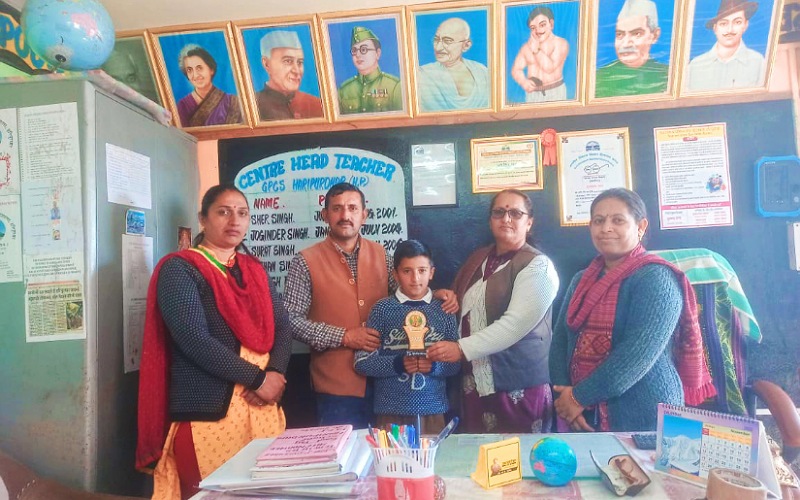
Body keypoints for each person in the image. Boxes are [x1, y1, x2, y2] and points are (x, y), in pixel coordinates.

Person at [136, 184, 292, 499]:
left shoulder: (254, 271)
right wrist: (258, 379)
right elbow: (194, 339)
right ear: (203, 219)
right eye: (223, 212)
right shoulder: (180, 269)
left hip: (262, 410)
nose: (234, 221)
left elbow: (282, 327)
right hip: (207, 417)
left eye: (242, 213)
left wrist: (275, 372)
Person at [549, 188, 716, 433]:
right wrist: (564, 396)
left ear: (641, 226)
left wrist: (577, 398)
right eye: (598, 221)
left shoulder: (657, 278)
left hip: (646, 414)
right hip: (583, 412)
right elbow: (560, 340)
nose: (606, 228)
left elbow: (636, 355)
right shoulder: (580, 280)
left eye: (618, 220)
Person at [427, 189, 559, 433]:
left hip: (517, 389)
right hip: (474, 385)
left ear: (529, 222)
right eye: (499, 212)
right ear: (490, 220)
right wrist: (444, 296)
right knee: (475, 455)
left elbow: (514, 325)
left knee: (518, 455)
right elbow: (461, 303)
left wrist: (460, 349)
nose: (506, 219)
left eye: (515, 213)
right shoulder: (479, 258)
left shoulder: (538, 266)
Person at [354, 240, 459, 434]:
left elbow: (456, 364)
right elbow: (362, 362)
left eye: (422, 270)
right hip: (390, 412)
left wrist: (434, 366)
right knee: (390, 455)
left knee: (431, 454)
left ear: (431, 272)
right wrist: (398, 364)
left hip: (433, 410)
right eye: (407, 271)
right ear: (395, 274)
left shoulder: (444, 310)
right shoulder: (381, 310)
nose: (415, 278)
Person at [685, 0, 765, 91]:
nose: (730, 30)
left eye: (737, 22)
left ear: (745, 25)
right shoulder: (695, 65)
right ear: (715, 28)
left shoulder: (758, 62)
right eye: (723, 24)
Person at [595, 0, 668, 98]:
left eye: (637, 34)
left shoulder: (668, 77)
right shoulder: (599, 78)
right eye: (620, 35)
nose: (626, 44)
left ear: (654, 36)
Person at [417, 17, 490, 112]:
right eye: (436, 40)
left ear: (466, 45)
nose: (438, 47)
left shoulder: (482, 72)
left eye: (447, 41)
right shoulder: (423, 74)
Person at [256, 30, 324, 121]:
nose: (296, 71)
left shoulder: (317, 105)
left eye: (300, 62)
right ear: (266, 64)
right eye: (288, 61)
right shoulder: (252, 106)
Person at [511, 6, 570, 103]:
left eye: (542, 25)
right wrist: (524, 82)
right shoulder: (526, 47)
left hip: (555, 91)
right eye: (533, 28)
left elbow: (549, 68)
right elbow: (516, 69)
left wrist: (536, 50)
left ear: (551, 24)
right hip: (533, 94)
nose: (538, 31)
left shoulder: (561, 43)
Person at [338, 27, 403, 114]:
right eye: (354, 50)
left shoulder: (394, 86)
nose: (358, 54)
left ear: (377, 53)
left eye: (363, 49)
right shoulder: (344, 90)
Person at [175, 44, 242, 127]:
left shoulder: (232, 102)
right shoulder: (183, 106)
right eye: (189, 70)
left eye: (199, 68)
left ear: (211, 69)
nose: (195, 75)